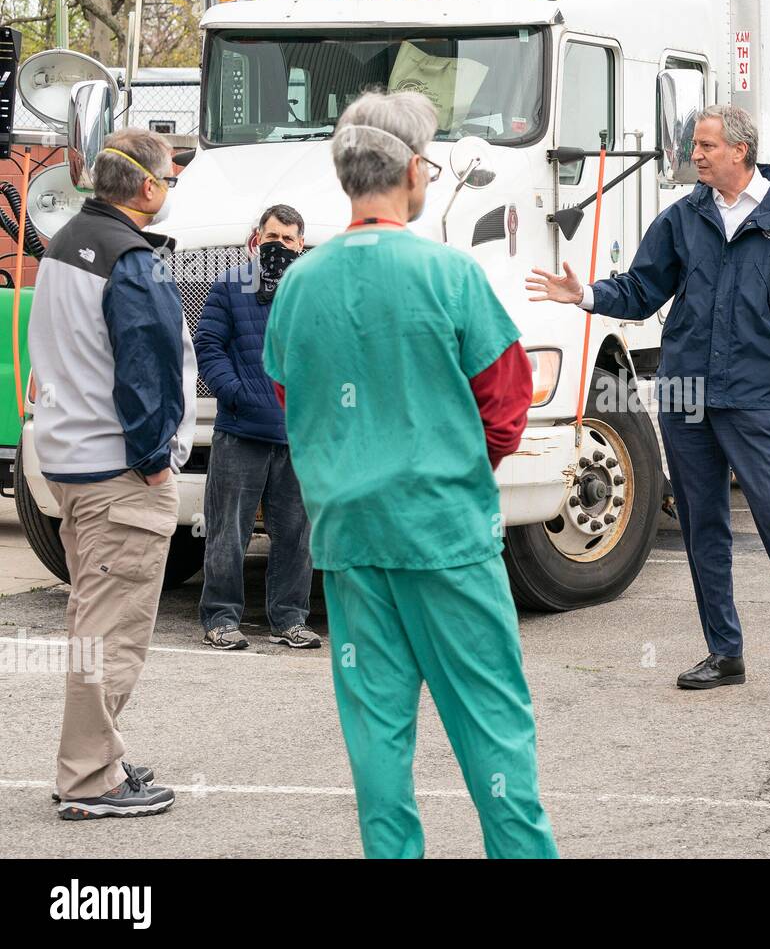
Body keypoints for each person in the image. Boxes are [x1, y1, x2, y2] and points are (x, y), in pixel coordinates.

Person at [262, 90, 557, 859]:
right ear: (414, 171)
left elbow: (296, 399)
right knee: (493, 730)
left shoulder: (300, 282)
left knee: (377, 740)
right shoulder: (450, 275)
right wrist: (450, 466)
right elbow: (506, 404)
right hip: (444, 537)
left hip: (350, 541)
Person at [528, 104, 770, 703]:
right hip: (688, 394)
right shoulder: (683, 218)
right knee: (704, 525)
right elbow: (643, 288)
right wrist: (587, 295)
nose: (695, 155)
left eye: (705, 146)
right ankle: (724, 652)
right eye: (694, 146)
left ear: (739, 151)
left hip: (755, 392)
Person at [27, 129, 197, 820]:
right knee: (113, 632)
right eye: (172, 180)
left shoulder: (68, 243)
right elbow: (147, 368)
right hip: (118, 473)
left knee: (91, 623)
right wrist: (156, 461)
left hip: (70, 461)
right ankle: (92, 776)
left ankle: (97, 757)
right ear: (149, 188)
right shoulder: (131, 259)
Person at [194, 203, 318, 649]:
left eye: (288, 239)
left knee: (297, 538)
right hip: (240, 432)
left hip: (297, 437)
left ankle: (289, 620)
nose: (280, 246)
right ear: (255, 239)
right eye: (272, 238)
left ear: (302, 244)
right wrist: (236, 394)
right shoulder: (230, 285)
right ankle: (221, 620)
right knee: (228, 533)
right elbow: (208, 345)